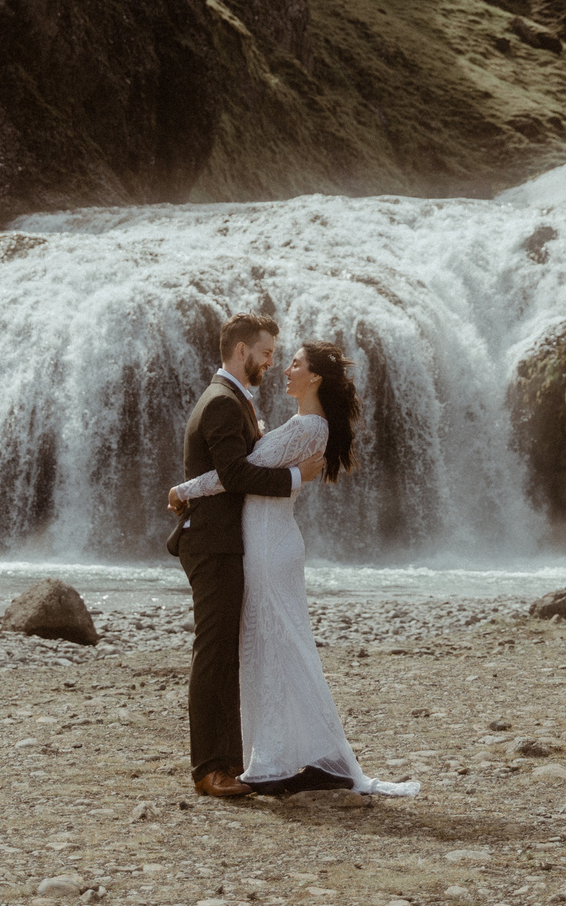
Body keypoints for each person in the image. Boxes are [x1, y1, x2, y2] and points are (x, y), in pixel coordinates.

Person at [168, 337, 420, 799]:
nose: (284, 368)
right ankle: (288, 755)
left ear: (315, 377)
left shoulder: (308, 427)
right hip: (267, 540)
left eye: (295, 364)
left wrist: (185, 490)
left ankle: (290, 758)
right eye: (281, 360)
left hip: (266, 546)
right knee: (274, 643)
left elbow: (237, 473)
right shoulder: (305, 425)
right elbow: (254, 466)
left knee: (277, 642)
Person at [166, 313, 323, 799]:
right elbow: (234, 474)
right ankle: (209, 769)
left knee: (225, 651)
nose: (271, 362)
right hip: (212, 543)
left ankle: (229, 763)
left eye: (277, 355)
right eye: (267, 353)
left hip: (226, 541)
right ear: (241, 351)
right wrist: (298, 479)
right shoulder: (221, 403)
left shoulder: (236, 400)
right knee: (213, 653)